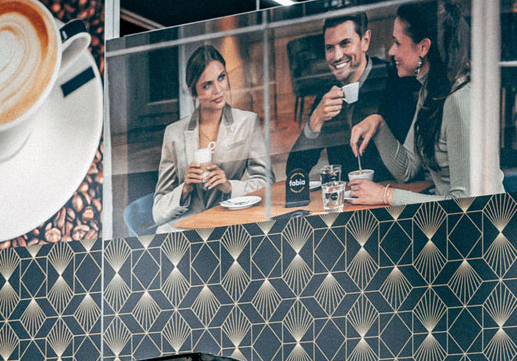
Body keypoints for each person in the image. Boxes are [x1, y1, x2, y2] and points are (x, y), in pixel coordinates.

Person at [348, 0, 498, 205]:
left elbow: (466, 204)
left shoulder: (459, 101)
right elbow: (407, 169)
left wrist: (385, 195)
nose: (391, 52)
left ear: (423, 47)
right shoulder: (431, 90)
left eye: (397, 43)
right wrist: (379, 124)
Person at [285, 13, 416, 186]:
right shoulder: (327, 94)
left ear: (365, 41)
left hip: (391, 192)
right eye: (329, 48)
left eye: (345, 43)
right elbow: (295, 173)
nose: (337, 56)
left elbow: (412, 167)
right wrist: (315, 119)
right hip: (348, 197)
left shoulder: (396, 81)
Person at [151, 45, 269, 228]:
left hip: (230, 224)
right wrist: (185, 189)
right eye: (207, 85)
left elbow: (267, 185)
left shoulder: (247, 122)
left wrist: (229, 186)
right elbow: (158, 211)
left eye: (221, 78)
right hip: (186, 228)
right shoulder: (174, 133)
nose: (218, 90)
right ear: (193, 92)